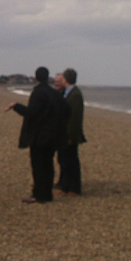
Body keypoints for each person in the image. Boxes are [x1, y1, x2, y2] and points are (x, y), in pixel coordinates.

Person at [4, 66, 70, 204]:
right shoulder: (55, 93)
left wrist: (16, 106)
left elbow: (31, 113)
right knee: (48, 165)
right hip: (52, 136)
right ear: (47, 77)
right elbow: (66, 111)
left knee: (39, 166)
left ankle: (40, 195)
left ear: (36, 78)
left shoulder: (38, 93)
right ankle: (46, 194)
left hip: (40, 137)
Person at [54, 68, 87, 196]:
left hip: (70, 135)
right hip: (63, 134)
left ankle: (74, 188)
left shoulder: (75, 94)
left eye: (61, 79)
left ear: (65, 79)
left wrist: (71, 136)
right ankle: (65, 186)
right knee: (64, 160)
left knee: (72, 161)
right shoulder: (67, 92)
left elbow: (75, 118)